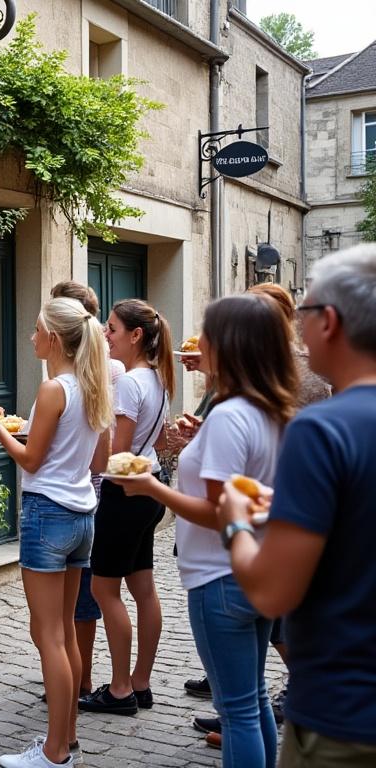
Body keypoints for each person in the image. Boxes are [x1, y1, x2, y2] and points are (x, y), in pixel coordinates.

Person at [109, 292, 297, 768]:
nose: (198, 343)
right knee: (251, 702)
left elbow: (218, 511)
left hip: (220, 576)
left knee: (236, 712)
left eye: (208, 334)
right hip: (251, 571)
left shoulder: (232, 415)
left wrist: (150, 488)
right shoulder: (268, 407)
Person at [218, 245, 376, 767]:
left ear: (328, 321)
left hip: (346, 715)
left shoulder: (327, 427)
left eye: (303, 314)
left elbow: (269, 591)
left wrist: (236, 523)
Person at [0, 297, 112, 768]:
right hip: (82, 515)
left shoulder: (55, 388)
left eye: (36, 330)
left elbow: (30, 459)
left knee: (48, 635)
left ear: (54, 337)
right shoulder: (92, 385)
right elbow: (94, 460)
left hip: (47, 514)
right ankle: (66, 740)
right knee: (66, 634)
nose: (31, 337)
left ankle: (53, 753)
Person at [80, 299, 173, 716]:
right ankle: (141, 682)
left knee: (103, 589)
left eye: (112, 328)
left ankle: (120, 690)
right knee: (142, 587)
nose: (105, 334)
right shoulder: (157, 379)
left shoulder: (131, 383)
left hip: (124, 493)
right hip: (150, 489)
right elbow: (154, 443)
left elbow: (118, 456)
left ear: (136, 335)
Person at [48, 282, 121, 699]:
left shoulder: (104, 368)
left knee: (77, 603)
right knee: (70, 601)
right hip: (84, 493)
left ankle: (79, 678)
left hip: (75, 494)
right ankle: (73, 677)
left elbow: (96, 449)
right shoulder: (76, 372)